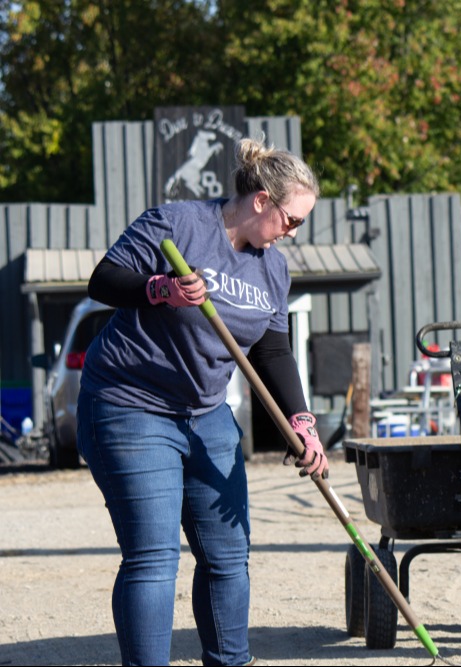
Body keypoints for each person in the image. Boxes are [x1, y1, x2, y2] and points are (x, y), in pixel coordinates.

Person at [77, 136, 329, 666]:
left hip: (207, 413)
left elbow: (273, 350)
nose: (293, 232)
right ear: (261, 199)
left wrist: (301, 422)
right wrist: (159, 289)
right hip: (130, 404)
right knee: (153, 558)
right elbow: (103, 280)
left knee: (227, 556)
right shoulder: (178, 223)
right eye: (292, 219)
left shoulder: (272, 268)